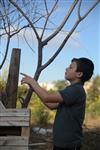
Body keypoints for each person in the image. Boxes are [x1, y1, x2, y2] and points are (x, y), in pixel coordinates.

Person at [21, 57, 94, 150]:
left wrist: (33, 82)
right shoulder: (71, 90)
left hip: (69, 146)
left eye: (71, 67)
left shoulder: (76, 90)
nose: (66, 68)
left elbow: (47, 97)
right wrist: (35, 90)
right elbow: (51, 105)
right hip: (61, 144)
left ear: (79, 74)